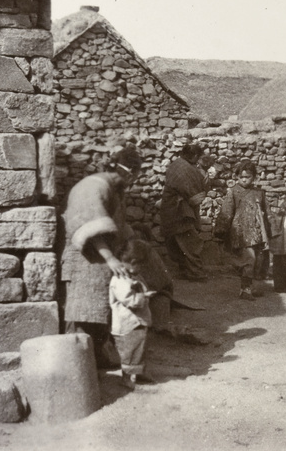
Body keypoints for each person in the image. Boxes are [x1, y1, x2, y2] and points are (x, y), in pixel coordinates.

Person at [61, 145, 143, 367]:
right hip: (85, 261)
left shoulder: (114, 189)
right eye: (134, 176)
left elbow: (118, 225)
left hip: (100, 262)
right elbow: (90, 226)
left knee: (98, 314)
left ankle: (95, 361)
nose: (134, 181)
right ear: (128, 172)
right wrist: (110, 258)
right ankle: (78, 366)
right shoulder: (94, 186)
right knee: (83, 315)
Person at [214, 160, 271, 300]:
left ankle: (251, 288)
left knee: (258, 261)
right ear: (237, 177)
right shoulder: (234, 192)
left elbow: (266, 211)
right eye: (241, 177)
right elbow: (227, 211)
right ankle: (245, 290)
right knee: (248, 260)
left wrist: (270, 230)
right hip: (241, 233)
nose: (244, 180)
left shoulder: (259, 193)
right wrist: (221, 229)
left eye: (248, 177)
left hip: (257, 234)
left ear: (254, 177)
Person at [110, 239, 156, 389]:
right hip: (127, 324)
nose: (141, 268)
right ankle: (126, 377)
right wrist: (145, 296)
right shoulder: (120, 279)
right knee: (129, 351)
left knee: (140, 348)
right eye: (140, 264)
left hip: (138, 321)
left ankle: (140, 372)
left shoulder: (134, 276)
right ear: (133, 262)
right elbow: (130, 300)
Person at [159, 143, 209, 281]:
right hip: (180, 211)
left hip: (170, 209)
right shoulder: (185, 169)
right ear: (193, 156)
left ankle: (185, 271)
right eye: (198, 157)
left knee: (177, 243)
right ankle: (196, 273)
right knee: (190, 242)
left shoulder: (176, 164)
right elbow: (196, 196)